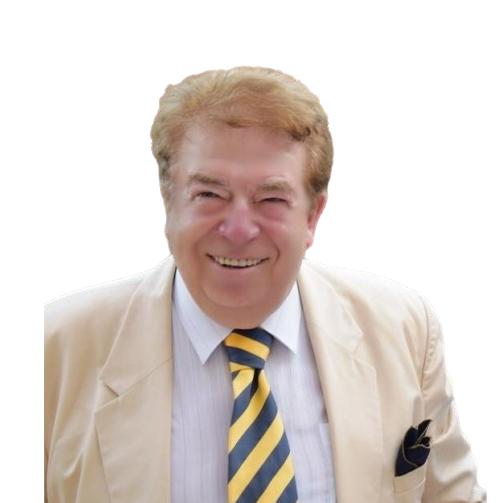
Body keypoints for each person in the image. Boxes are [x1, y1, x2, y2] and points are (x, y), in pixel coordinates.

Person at [45, 66, 485, 503]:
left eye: (271, 198)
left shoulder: (404, 329)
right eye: (209, 194)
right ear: (169, 202)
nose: (238, 230)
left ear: (312, 216)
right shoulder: (53, 348)